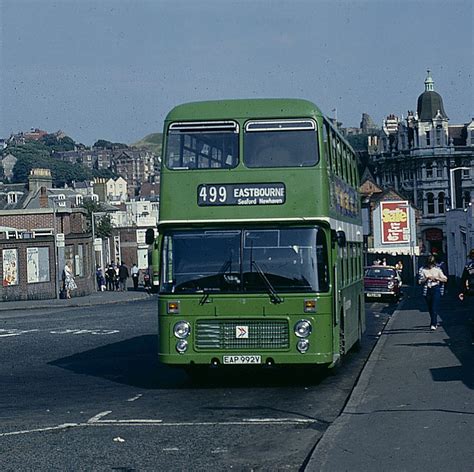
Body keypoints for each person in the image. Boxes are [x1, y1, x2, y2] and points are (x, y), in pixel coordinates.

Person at [418, 255, 448, 330]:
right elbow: (419, 281)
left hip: (436, 288)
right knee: (430, 307)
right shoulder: (422, 270)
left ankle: (433, 323)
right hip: (427, 289)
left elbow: (445, 279)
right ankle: (434, 321)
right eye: (429, 264)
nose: (430, 265)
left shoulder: (438, 269)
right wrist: (427, 278)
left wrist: (437, 278)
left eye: (431, 264)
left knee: (434, 306)